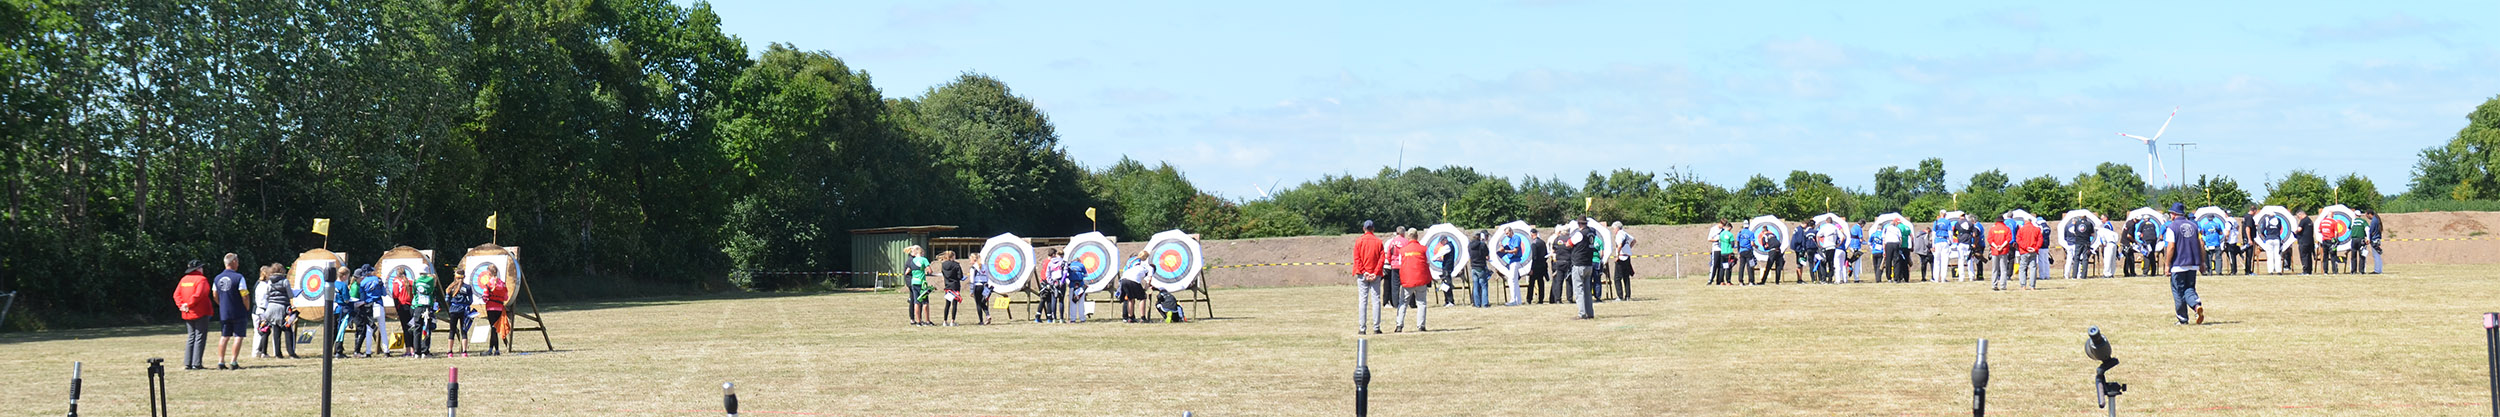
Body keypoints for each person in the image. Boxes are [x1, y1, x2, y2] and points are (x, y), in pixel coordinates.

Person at [2165, 203, 2207, 325]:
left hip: (2178, 264)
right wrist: (2202, 262)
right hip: (2193, 264)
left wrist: (2167, 264)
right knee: (2189, 289)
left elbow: (2171, 247)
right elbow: (2201, 244)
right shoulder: (2194, 226)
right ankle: (2196, 305)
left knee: (2178, 292)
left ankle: (2182, 319)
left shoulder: (2172, 227)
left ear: (2173, 214)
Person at [210, 254, 251, 369]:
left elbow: (214, 294)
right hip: (238, 310)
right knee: (238, 336)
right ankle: (233, 361)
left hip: (224, 311)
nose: (238, 264)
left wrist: (221, 304)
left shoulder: (217, 278)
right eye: (237, 261)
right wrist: (246, 307)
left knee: (224, 336)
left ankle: (221, 362)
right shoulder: (239, 277)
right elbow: (244, 294)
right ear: (233, 262)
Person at [173, 261, 216, 370]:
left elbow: (176, 295)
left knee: (191, 337)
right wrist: (189, 304)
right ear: (198, 269)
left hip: (187, 312)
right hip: (200, 311)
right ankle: (196, 363)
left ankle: (188, 363)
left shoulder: (184, 280)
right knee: (200, 337)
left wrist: (181, 305)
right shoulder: (202, 280)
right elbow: (199, 295)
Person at [1394, 229, 1431, 332]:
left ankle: (1399, 325)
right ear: (1417, 236)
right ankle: (1421, 325)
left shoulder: (1402, 250)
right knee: (1421, 303)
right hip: (1421, 279)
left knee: (1403, 302)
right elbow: (1428, 263)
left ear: (1408, 237)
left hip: (1408, 280)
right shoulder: (1424, 249)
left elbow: (1400, 265)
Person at [258, 264, 296, 359]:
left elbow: (267, 294)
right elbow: (290, 295)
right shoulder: (284, 281)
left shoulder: (270, 281)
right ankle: (291, 353)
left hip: (271, 307)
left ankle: (278, 354)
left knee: (276, 330)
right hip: (282, 307)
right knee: (287, 329)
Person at [441, 272, 475, 357]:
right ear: (464, 277)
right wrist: (465, 303)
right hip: (463, 310)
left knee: (452, 331)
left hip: (453, 310)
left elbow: (447, 299)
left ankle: (450, 352)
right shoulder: (467, 287)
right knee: (464, 331)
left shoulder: (451, 287)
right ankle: (464, 352)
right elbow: (471, 300)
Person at [1570, 218, 1599, 318]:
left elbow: (1569, 243)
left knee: (1579, 290)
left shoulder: (1579, 234)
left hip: (1579, 264)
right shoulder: (1592, 233)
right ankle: (1590, 313)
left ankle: (1582, 313)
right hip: (1589, 264)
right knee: (1587, 291)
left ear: (1579, 224)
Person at [478, 266, 509, 356]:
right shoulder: (502, 284)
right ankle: (493, 349)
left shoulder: (488, 284)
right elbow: (506, 297)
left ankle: (494, 350)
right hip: (499, 308)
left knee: (493, 328)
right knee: (495, 328)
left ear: (489, 273)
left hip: (491, 308)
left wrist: (485, 298)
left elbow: (485, 298)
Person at [408, 271, 437, 357]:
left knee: (417, 329)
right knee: (426, 328)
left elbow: (414, 292)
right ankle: (425, 351)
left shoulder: (416, 281)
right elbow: (433, 288)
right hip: (427, 306)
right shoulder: (431, 280)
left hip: (418, 307)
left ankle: (417, 352)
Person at [388, 268, 415, 357]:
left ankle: (408, 350)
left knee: (406, 329)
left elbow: (395, 296)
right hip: (412, 307)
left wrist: (397, 309)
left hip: (403, 307)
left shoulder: (397, 282)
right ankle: (414, 349)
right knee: (412, 328)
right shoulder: (411, 282)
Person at [1498, 227, 1527, 306]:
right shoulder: (1510, 240)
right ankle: (1518, 300)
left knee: (1511, 280)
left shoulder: (1516, 238)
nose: (1507, 235)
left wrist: (1505, 251)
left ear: (1511, 231)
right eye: (1506, 234)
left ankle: (1513, 300)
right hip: (1512, 261)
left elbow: (1515, 250)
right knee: (1514, 281)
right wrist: (1503, 247)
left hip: (1515, 260)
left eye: (1507, 233)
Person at [904, 245, 932, 326]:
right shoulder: (924, 259)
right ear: (922, 252)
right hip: (922, 283)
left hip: (914, 282)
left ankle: (918, 321)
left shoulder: (912, 261)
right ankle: (927, 321)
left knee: (916, 302)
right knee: (925, 302)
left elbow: (906, 272)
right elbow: (930, 271)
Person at [1121, 254, 1151, 323]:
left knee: (1130, 298)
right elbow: (1149, 281)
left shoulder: (1134, 267)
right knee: (1143, 297)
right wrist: (1145, 289)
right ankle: (1143, 318)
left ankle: (1130, 318)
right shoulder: (1149, 269)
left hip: (1124, 279)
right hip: (1133, 280)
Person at [1611, 222, 1636, 300]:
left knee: (1617, 278)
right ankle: (1628, 296)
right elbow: (1634, 240)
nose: (1613, 230)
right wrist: (1629, 248)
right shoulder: (1625, 234)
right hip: (1627, 257)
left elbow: (1620, 245)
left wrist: (1617, 256)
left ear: (1617, 228)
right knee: (1626, 277)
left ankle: (1620, 296)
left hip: (1621, 257)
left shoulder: (1619, 235)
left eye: (1614, 228)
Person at [938, 251, 964, 326]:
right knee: (954, 304)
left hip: (948, 286)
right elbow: (960, 276)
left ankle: (945, 321)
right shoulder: (956, 265)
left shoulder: (943, 265)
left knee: (947, 304)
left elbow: (943, 273)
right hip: (955, 286)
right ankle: (952, 321)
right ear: (953, 256)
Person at [1467, 230, 1492, 308]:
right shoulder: (1482, 245)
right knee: (1484, 285)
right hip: (1481, 267)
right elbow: (1487, 253)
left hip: (1473, 267)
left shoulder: (1469, 245)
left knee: (1475, 286)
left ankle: (1477, 304)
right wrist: (1483, 243)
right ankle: (1485, 303)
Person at [971, 251, 996, 325]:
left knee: (978, 304)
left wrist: (971, 290)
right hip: (984, 286)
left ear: (973, 259)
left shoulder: (973, 267)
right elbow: (987, 277)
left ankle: (981, 321)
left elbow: (972, 280)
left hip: (977, 286)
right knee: (983, 302)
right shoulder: (985, 266)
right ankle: (988, 315)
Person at [1527, 229, 1550, 304]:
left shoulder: (1534, 244)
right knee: (1541, 283)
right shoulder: (1542, 242)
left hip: (1535, 266)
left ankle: (1529, 299)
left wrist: (1531, 268)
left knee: (1531, 283)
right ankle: (1541, 299)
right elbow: (1546, 255)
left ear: (1532, 234)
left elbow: (1534, 257)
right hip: (1542, 265)